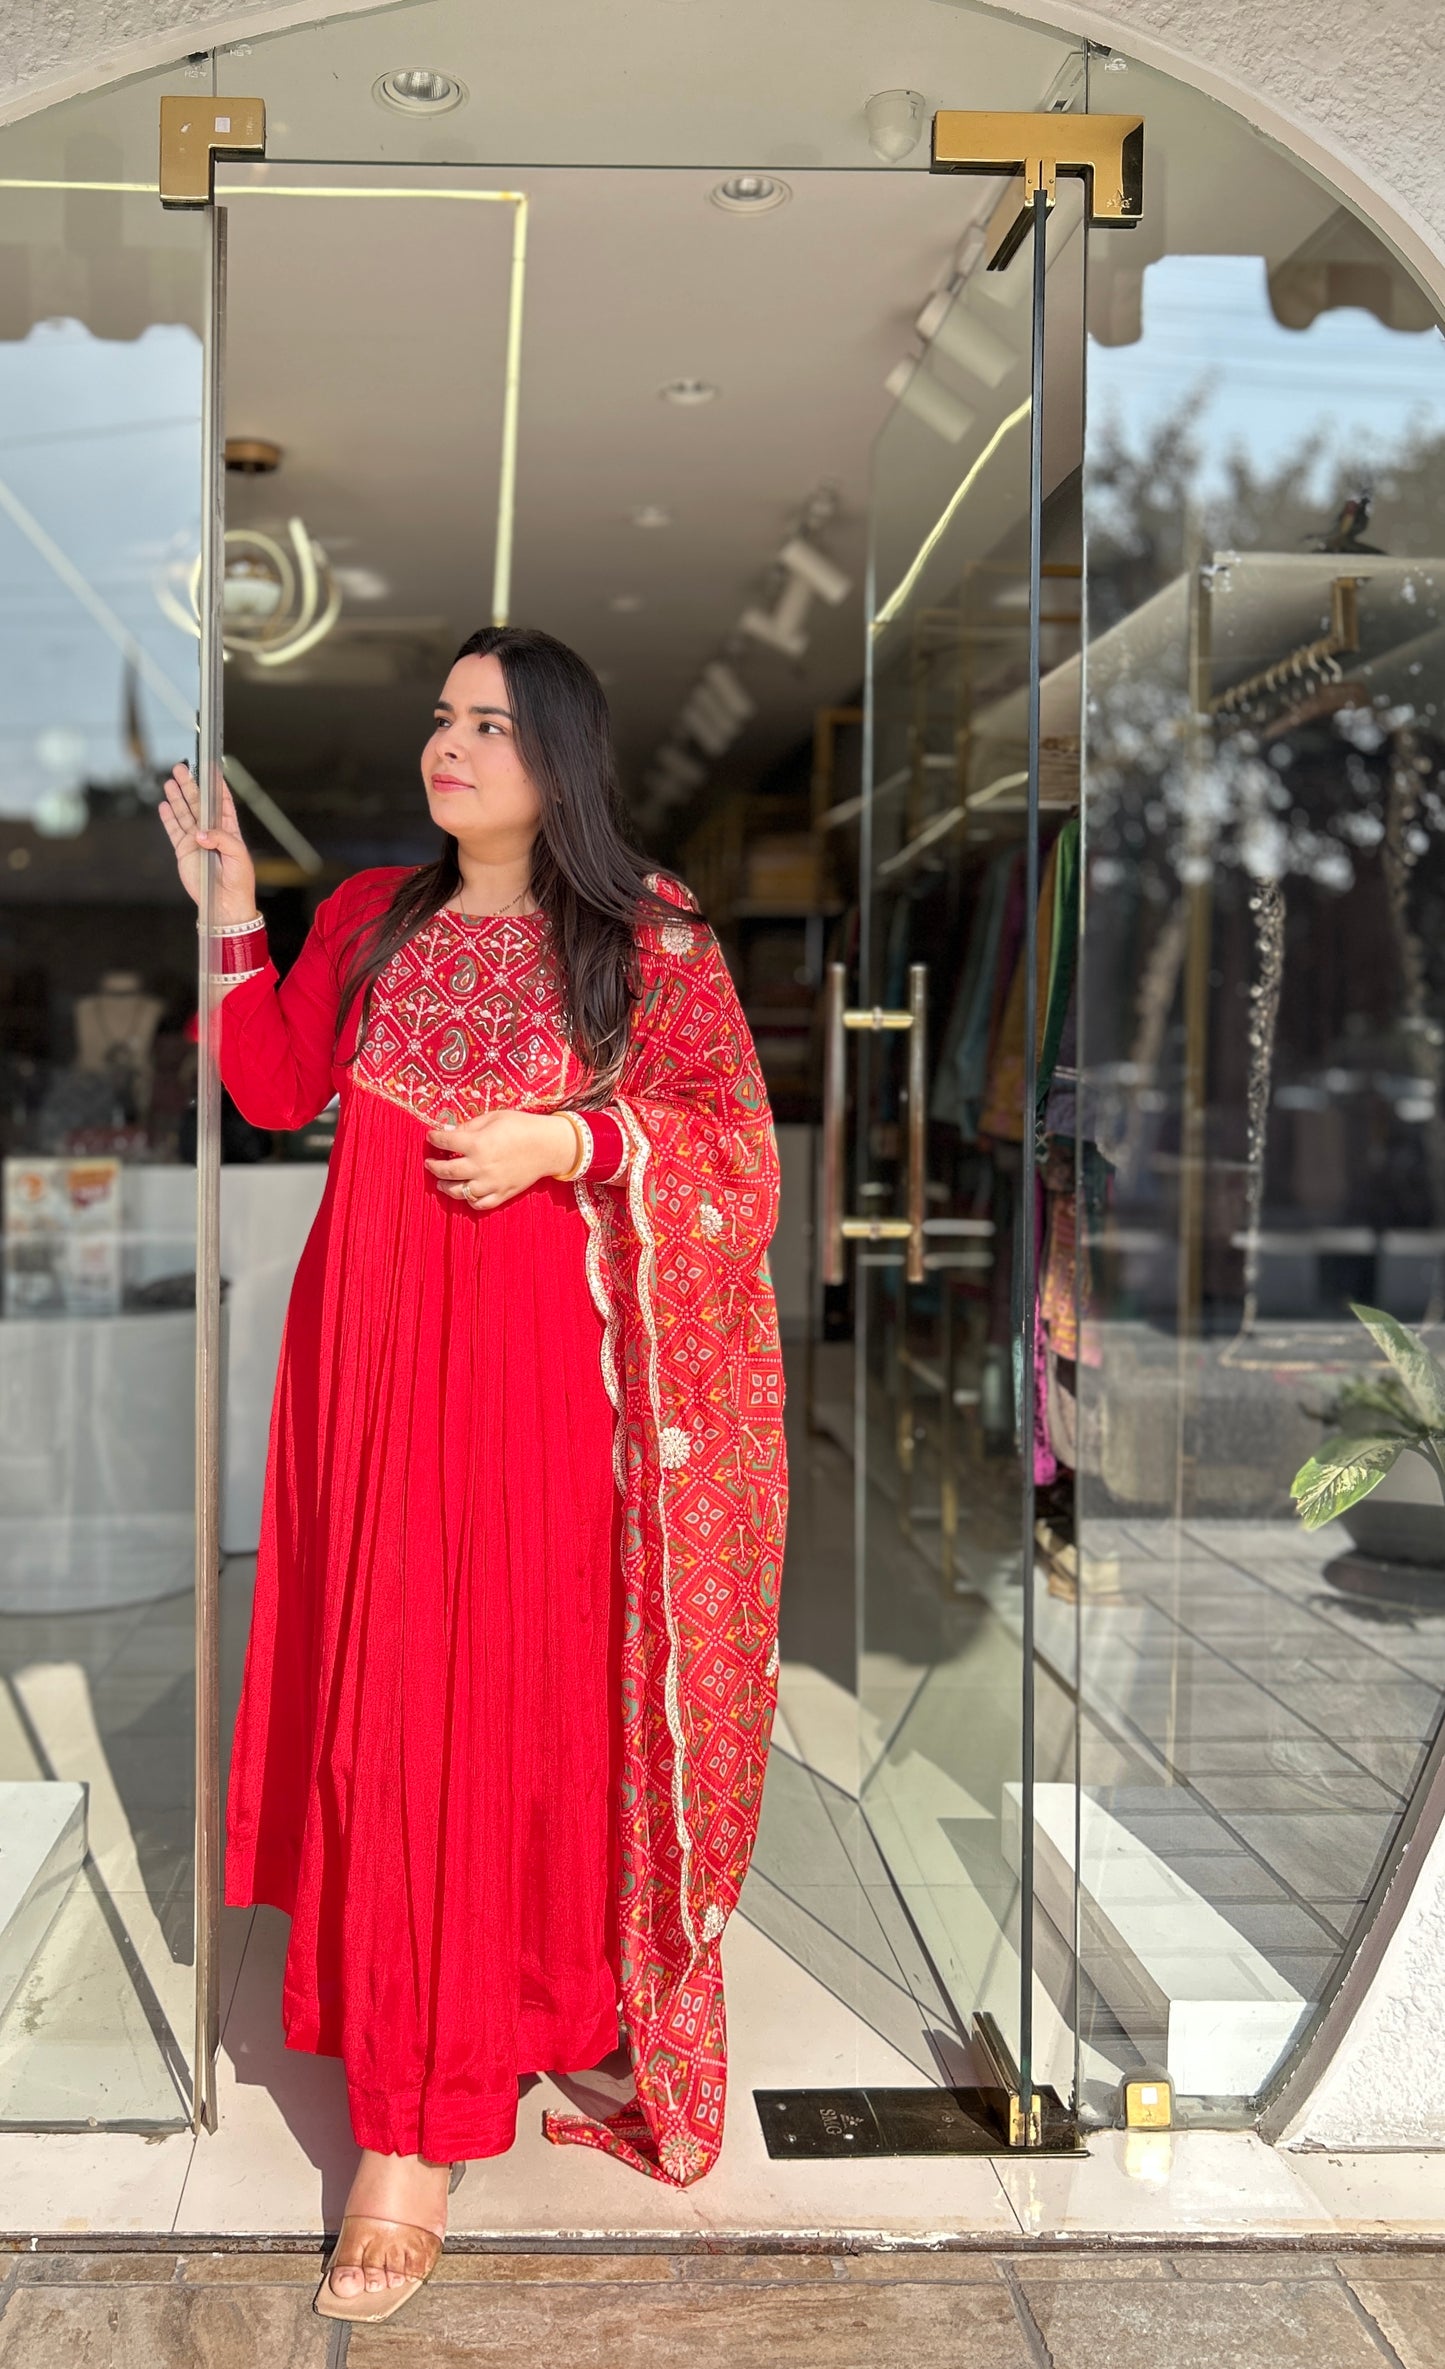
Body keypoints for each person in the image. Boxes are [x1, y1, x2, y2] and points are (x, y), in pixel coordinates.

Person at [158, 627, 787, 2325]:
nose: (451, 744)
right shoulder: (370, 916)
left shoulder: (641, 935)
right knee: (392, 1706)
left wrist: (563, 1138)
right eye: (440, 717)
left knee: (507, 1708)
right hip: (365, 1377)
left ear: (559, 755)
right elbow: (274, 1078)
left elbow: (734, 1160)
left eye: (489, 723)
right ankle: (412, 2121)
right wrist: (232, 901)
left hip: (537, 1396)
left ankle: (504, 2043)